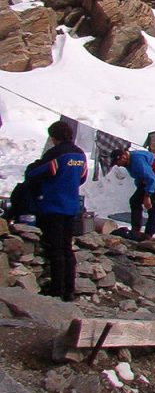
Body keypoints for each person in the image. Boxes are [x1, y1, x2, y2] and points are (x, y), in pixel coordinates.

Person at [24, 121, 88, 301]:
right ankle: (69, 289)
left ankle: (57, 289)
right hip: (71, 206)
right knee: (67, 248)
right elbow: (82, 178)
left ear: (54, 137)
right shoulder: (80, 154)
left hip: (53, 206)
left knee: (56, 249)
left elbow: (35, 173)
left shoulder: (56, 154)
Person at [111, 147, 155, 241]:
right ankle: (135, 230)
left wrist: (147, 196)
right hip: (147, 179)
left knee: (153, 205)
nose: (118, 165)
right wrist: (141, 191)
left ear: (123, 157)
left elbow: (151, 178)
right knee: (135, 201)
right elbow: (139, 178)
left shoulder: (137, 160)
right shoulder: (128, 163)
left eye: (117, 162)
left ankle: (149, 234)